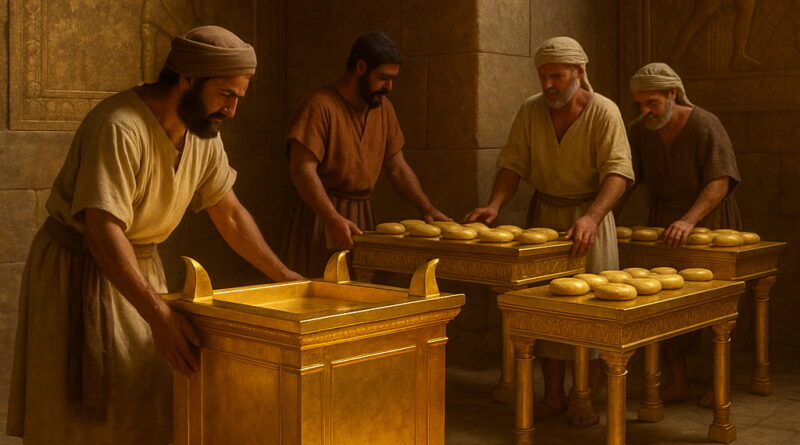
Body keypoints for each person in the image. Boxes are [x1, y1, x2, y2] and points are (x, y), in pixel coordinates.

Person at [6, 26, 301, 445]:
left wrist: (285, 277)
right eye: (225, 95)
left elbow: (230, 214)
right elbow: (103, 229)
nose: (232, 110)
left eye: (238, 97)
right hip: (80, 268)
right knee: (86, 415)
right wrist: (160, 316)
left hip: (138, 264)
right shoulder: (120, 127)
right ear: (187, 78)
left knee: (145, 393)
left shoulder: (203, 134)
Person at [465, 36, 634, 427]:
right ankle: (554, 395)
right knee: (544, 312)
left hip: (590, 220)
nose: (548, 85)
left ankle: (584, 398)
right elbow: (512, 164)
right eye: (543, 76)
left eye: (556, 75)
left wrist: (592, 217)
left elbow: (618, 173)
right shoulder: (531, 110)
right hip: (544, 218)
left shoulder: (604, 111)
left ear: (579, 72)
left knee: (592, 313)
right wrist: (495, 204)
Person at [281, 31, 450, 277]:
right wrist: (331, 218)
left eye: (393, 79)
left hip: (362, 215)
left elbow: (398, 168)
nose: (389, 87)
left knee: (360, 299)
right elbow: (302, 170)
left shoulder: (384, 109)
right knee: (318, 295)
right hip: (319, 215)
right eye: (383, 78)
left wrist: (427, 209)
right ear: (360, 67)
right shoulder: (319, 106)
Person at [627, 62, 742, 402]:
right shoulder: (639, 130)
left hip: (710, 220)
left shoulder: (706, 124)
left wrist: (690, 220)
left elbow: (720, 180)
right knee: (665, 304)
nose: (646, 111)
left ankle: (719, 383)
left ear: (672, 95)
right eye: (640, 104)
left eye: (652, 103)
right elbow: (626, 177)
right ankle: (678, 381)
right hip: (663, 222)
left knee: (716, 308)